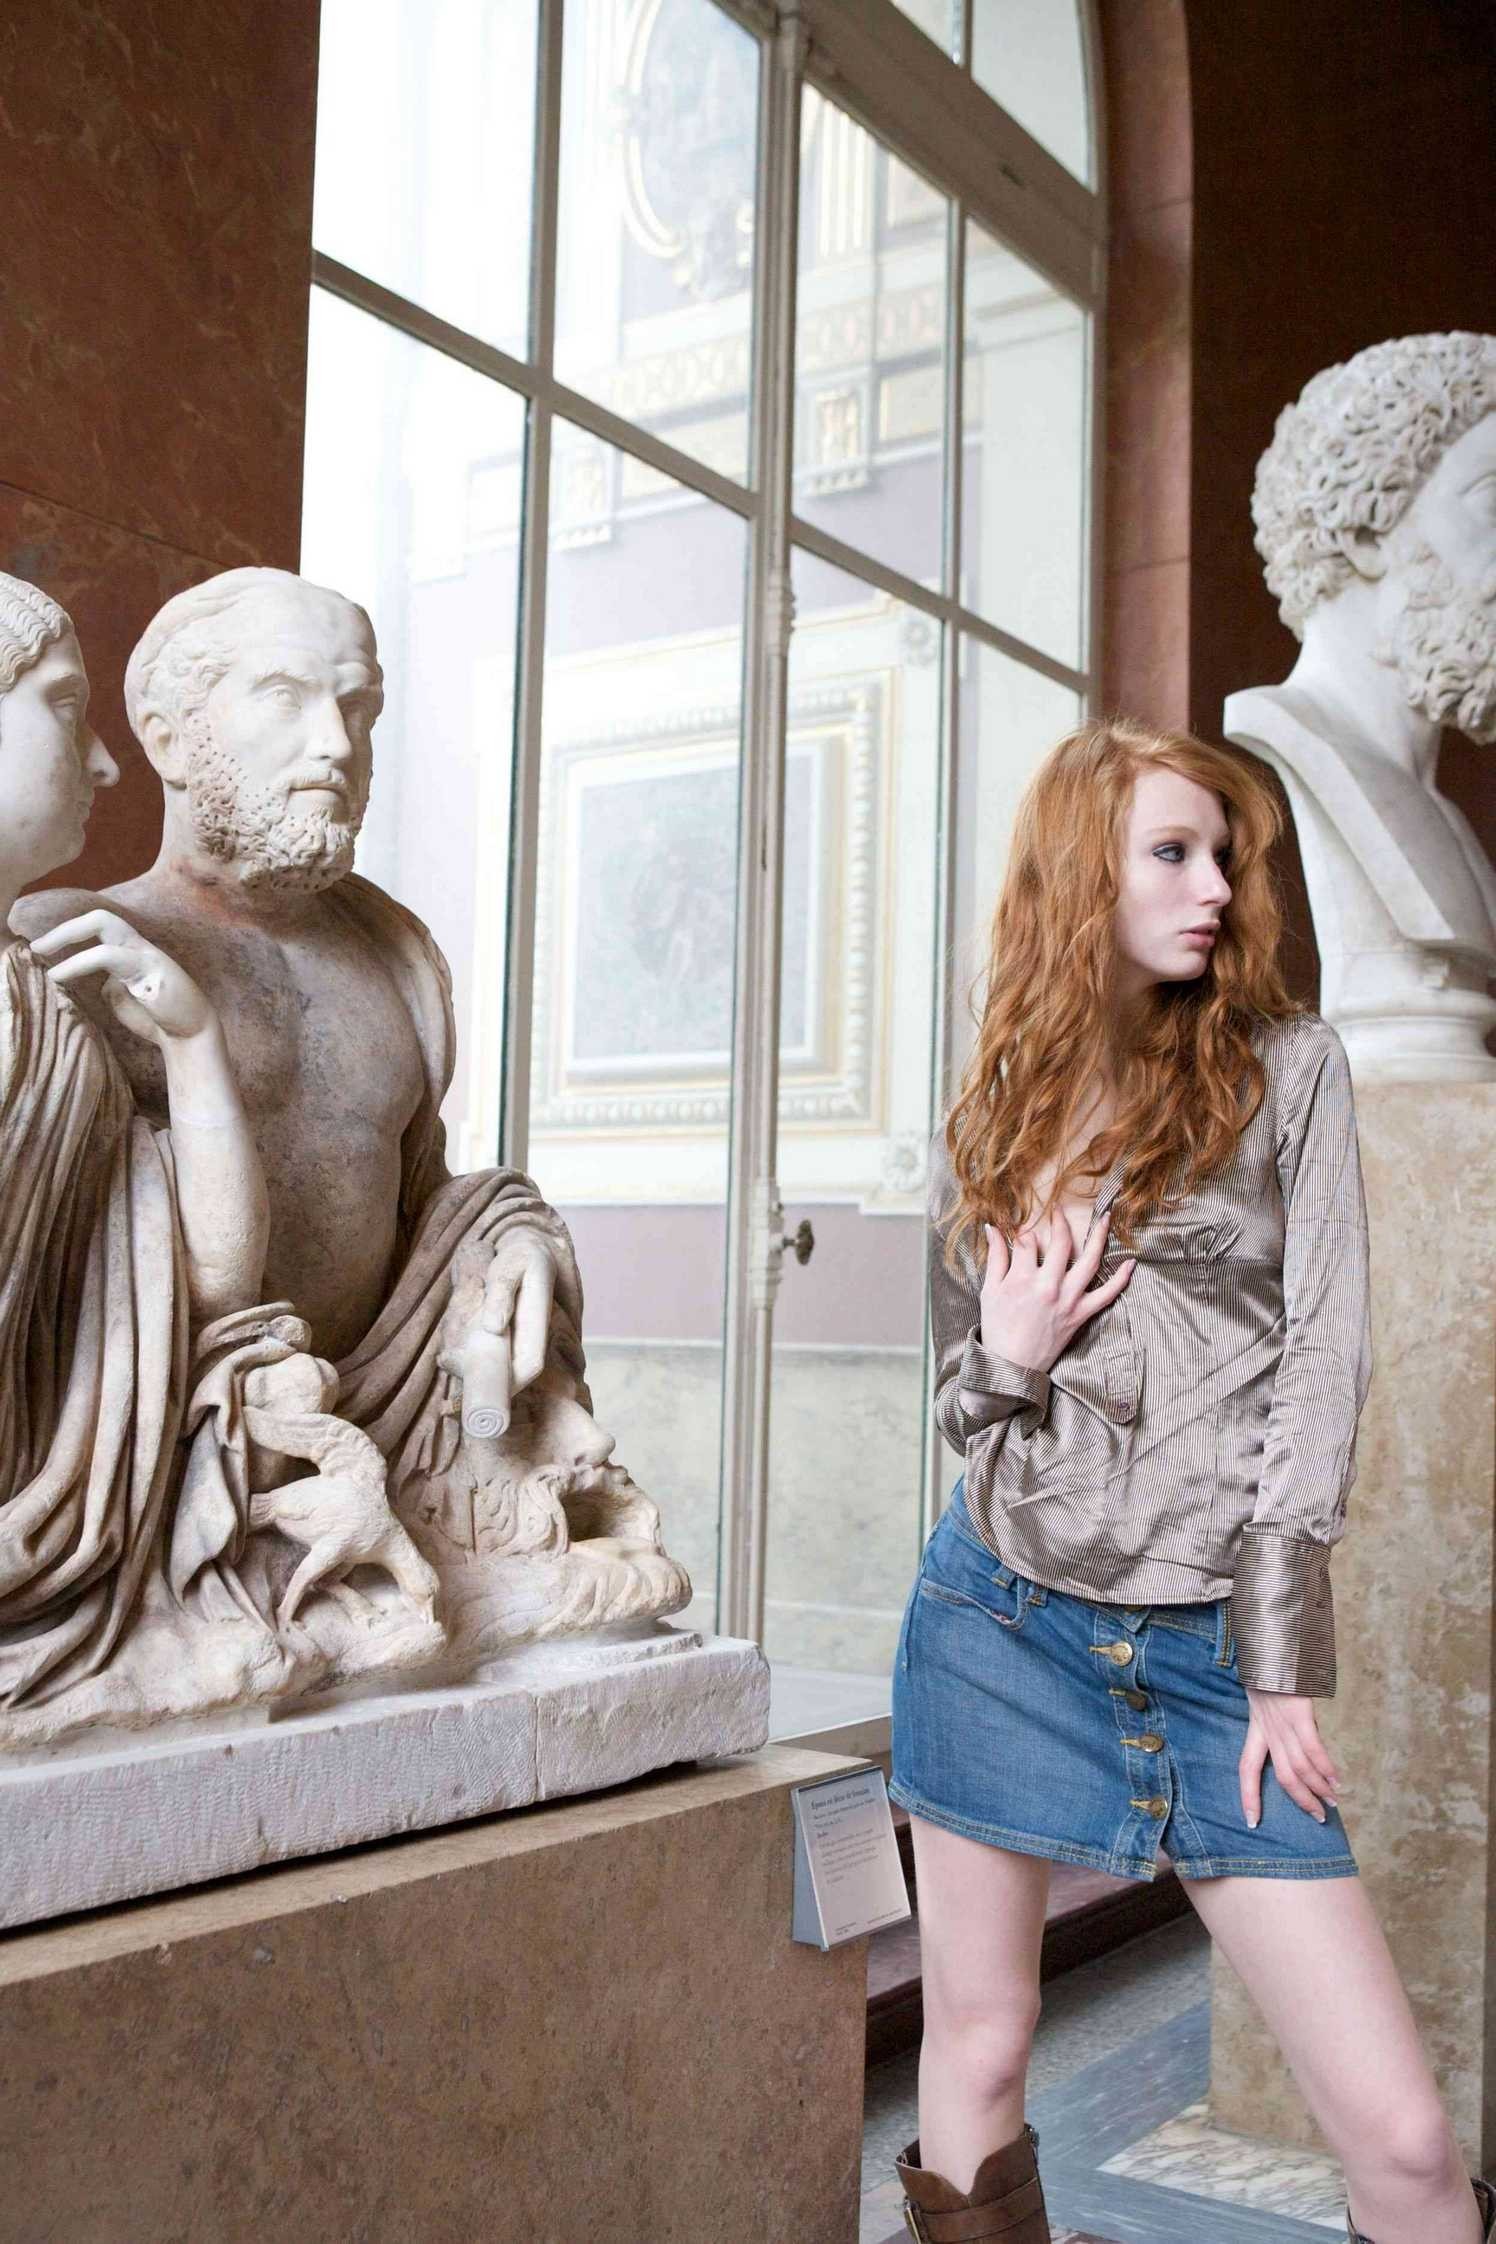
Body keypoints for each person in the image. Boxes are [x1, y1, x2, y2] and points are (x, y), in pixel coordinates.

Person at [887, 717, 1495, 2244]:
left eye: (1223, 854)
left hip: (1215, 1651)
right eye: (1172, 852)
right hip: (997, 1626)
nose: (1215, 884)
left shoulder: (1293, 1073)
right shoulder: (993, 1113)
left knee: (1411, 2147)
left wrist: (1279, 1659)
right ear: (1084, 877)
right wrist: (1013, 1348)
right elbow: (970, 1416)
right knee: (979, 2048)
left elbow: (1323, 1365)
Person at [0, 571, 270, 1709]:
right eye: (67, 705)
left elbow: (207, 1281)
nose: (105, 764)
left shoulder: (43, 1006)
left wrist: (193, 1040)